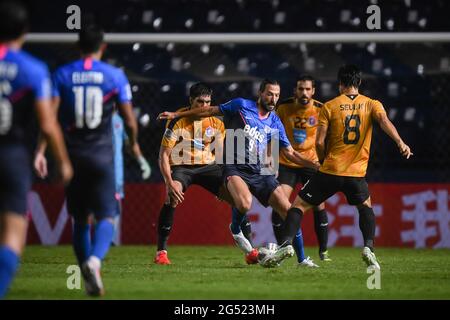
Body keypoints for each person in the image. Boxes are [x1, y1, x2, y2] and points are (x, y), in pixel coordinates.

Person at [158, 79, 320, 268]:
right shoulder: (241, 106)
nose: (273, 98)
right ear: (260, 93)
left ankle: (302, 260)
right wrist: (177, 114)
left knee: (289, 211)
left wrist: (314, 165)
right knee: (243, 203)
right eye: (269, 93)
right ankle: (234, 231)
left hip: (257, 171)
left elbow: (288, 153)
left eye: (276, 95)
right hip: (227, 167)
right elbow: (208, 112)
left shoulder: (275, 121)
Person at [34, 26, 146, 296]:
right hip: (102, 157)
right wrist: (133, 145)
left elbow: (49, 119)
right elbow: (129, 120)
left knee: (80, 219)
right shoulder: (115, 76)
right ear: (103, 47)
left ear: (77, 46)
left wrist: (39, 151)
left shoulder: (62, 74)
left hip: (72, 158)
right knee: (108, 215)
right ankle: (94, 263)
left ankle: (86, 271)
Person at [281, 64, 413, 270]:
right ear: (358, 82)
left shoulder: (330, 106)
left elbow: (319, 142)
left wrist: (323, 160)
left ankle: (287, 244)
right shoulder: (372, 104)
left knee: (298, 206)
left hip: (330, 170)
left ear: (340, 84)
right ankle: (368, 247)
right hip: (356, 173)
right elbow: (384, 121)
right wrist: (400, 142)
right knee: (365, 207)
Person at [0, 1, 73, 298]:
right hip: (12, 155)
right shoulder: (33, 69)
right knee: (13, 235)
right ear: (25, 31)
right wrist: (63, 162)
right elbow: (47, 123)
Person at [156, 82, 257, 265]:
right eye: (200, 102)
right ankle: (161, 252)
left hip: (209, 167)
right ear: (190, 101)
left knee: (238, 199)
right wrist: (169, 182)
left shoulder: (216, 122)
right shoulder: (177, 120)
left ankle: (251, 251)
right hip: (182, 167)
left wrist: (225, 182)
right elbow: (163, 155)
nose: (204, 107)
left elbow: (219, 156)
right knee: (171, 197)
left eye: (208, 102)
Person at [273, 75, 330, 265]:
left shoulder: (322, 110)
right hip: (287, 163)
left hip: (310, 164)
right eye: (300, 89)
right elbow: (272, 134)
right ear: (295, 90)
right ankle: (283, 248)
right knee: (279, 204)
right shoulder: (283, 107)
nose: (304, 93)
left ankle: (323, 250)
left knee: (318, 206)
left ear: (313, 91)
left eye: (307, 89)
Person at [111, 111, 151, 246]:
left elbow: (129, 144)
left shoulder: (119, 120)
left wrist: (141, 161)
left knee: (115, 203)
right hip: (95, 167)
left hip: (115, 170)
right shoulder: (95, 117)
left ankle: (110, 239)